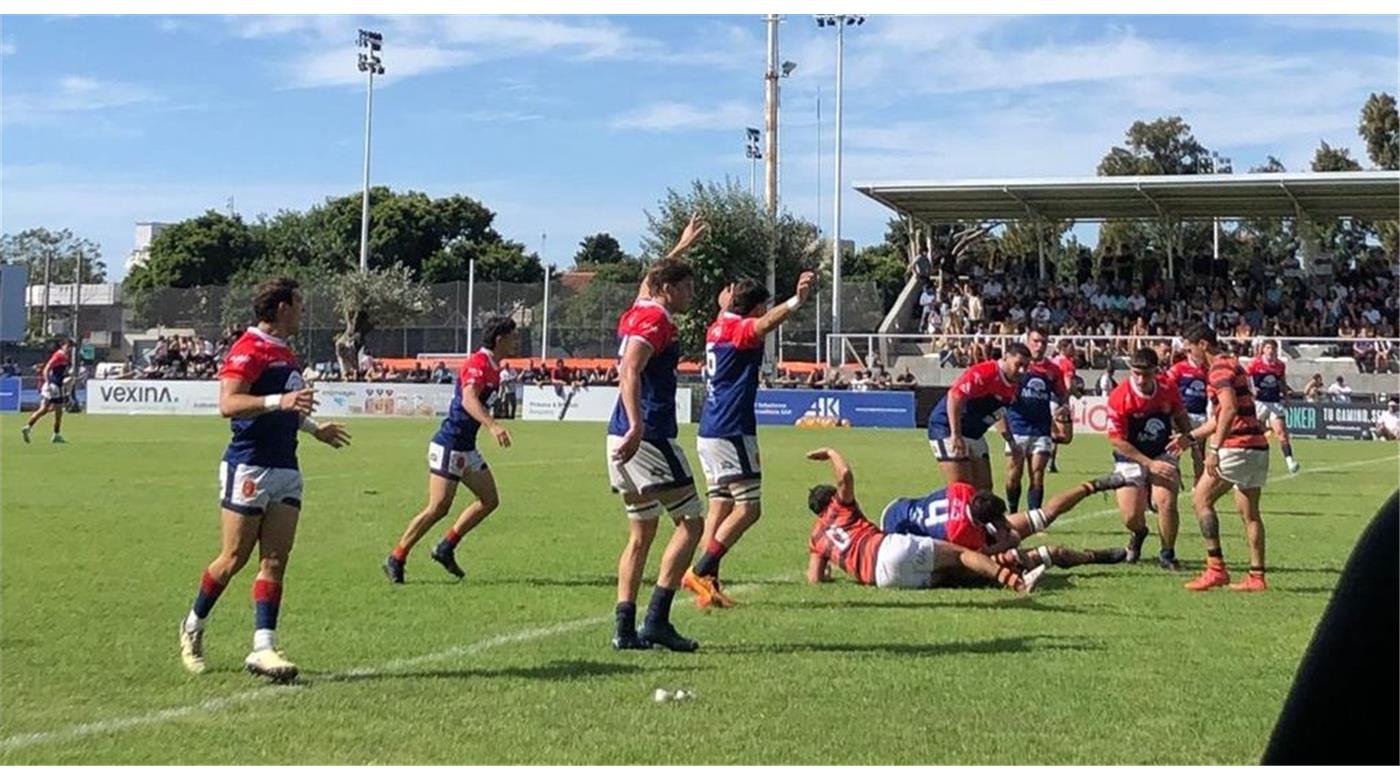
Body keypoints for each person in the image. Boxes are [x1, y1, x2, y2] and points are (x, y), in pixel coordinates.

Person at [177, 278, 352, 682]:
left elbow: (287, 409)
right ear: (281, 308)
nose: (303, 311)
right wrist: (280, 401)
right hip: (250, 465)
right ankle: (193, 625)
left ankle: (263, 648)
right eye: (299, 304)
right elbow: (229, 404)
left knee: (275, 561)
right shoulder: (248, 348)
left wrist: (313, 428)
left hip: (286, 465)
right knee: (234, 559)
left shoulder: (285, 352)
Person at [684, 271, 816, 609]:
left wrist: (724, 306)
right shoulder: (740, 329)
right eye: (762, 307)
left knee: (720, 505)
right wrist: (796, 301)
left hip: (709, 430)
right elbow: (763, 325)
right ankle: (698, 572)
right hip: (732, 430)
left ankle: (708, 583)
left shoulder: (716, 327)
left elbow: (736, 319)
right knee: (749, 509)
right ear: (755, 307)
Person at [606, 216, 708, 652]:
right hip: (647, 435)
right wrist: (637, 424)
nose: (690, 295)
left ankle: (625, 630)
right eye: (685, 288)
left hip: (622, 435)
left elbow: (651, 279)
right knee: (691, 522)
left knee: (641, 534)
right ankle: (657, 620)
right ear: (669, 290)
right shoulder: (657, 320)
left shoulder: (639, 309)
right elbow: (630, 370)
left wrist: (680, 246)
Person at [383, 317, 518, 584]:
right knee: (438, 507)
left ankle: (446, 547)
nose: (517, 341)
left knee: (489, 500)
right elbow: (469, 398)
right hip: (450, 444)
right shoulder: (478, 363)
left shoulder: (494, 367)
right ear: (500, 339)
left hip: (466, 447)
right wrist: (492, 425)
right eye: (513, 336)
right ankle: (396, 557)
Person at [804, 448, 1047, 594]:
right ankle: (1017, 581)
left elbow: (814, 579)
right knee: (960, 556)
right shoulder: (839, 508)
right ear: (831, 500)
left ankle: (1011, 562)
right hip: (888, 547)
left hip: (881, 580)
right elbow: (844, 475)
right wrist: (831, 453)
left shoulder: (816, 537)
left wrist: (828, 575)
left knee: (949, 576)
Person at [878, 473, 1129, 570]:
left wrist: (1006, 534)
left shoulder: (964, 491)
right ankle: (1093, 557)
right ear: (982, 523)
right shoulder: (961, 532)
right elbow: (978, 557)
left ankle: (1094, 485)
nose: (1004, 523)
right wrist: (1005, 542)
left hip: (901, 507)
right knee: (1050, 553)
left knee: (1042, 517)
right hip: (899, 537)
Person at [1181, 324, 1271, 592]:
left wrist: (1214, 449)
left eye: (1190, 349)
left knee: (1200, 499)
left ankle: (1216, 569)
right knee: (1250, 513)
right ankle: (1257, 576)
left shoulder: (1218, 369)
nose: (1189, 355)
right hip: (1256, 445)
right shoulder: (1233, 364)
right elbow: (1221, 416)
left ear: (1203, 345)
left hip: (1236, 446)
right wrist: (1191, 437)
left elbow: (1229, 409)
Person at [1106, 348, 1196, 571]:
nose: (1140, 378)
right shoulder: (1119, 396)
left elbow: (1180, 415)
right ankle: (1139, 533)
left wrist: (1190, 440)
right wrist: (1148, 463)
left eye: (1146, 374)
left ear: (1156, 371)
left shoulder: (1168, 388)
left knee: (1166, 501)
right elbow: (1117, 440)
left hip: (1161, 452)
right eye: (1136, 373)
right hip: (1130, 456)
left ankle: (1167, 555)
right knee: (1131, 517)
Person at [925, 345, 1029, 492]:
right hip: (947, 428)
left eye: (1026, 366)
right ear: (1005, 358)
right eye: (1018, 365)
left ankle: (979, 515)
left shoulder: (1014, 384)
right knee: (962, 489)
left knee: (984, 490)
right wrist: (956, 434)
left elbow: (999, 412)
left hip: (974, 433)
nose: (1022, 371)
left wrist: (1011, 441)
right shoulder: (986, 372)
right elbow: (955, 396)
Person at [999, 328, 1070, 514]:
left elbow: (1062, 394)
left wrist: (1063, 406)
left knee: (1037, 475)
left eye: (1043, 342)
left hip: (1041, 429)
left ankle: (1034, 518)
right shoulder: (1018, 366)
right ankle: (1013, 513)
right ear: (1028, 341)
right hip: (1017, 427)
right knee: (1014, 475)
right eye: (1036, 341)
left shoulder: (1053, 370)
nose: (1039, 346)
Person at [1248, 339, 1301, 474]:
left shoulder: (1279, 365)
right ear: (1263, 350)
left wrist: (1286, 396)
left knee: (1282, 433)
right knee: (1254, 432)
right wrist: (1251, 391)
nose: (1270, 351)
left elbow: (1282, 381)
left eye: (1273, 348)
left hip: (1274, 402)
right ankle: (1252, 461)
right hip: (1260, 402)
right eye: (1268, 348)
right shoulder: (1255, 363)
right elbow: (1246, 377)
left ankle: (1290, 462)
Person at [1166, 344, 1211, 487]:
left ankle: (1198, 484)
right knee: (1175, 451)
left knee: (1198, 453)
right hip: (1183, 416)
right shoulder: (1179, 369)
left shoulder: (1207, 370)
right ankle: (1172, 482)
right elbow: (1168, 388)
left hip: (1201, 415)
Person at [21, 338, 76, 444]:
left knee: (45, 409)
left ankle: (28, 427)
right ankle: (56, 434)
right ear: (62, 345)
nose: (70, 348)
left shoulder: (64, 356)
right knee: (58, 412)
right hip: (54, 386)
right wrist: (48, 382)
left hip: (56, 385)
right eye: (68, 346)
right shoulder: (59, 355)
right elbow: (47, 368)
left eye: (71, 347)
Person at [1047, 339, 1079, 474]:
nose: (1074, 350)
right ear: (1064, 349)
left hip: (1047, 398)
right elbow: (1068, 386)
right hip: (1059, 400)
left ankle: (1050, 463)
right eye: (1071, 347)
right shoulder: (1067, 363)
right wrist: (1077, 393)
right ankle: (1047, 458)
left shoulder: (1052, 361)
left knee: (1054, 433)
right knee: (1064, 437)